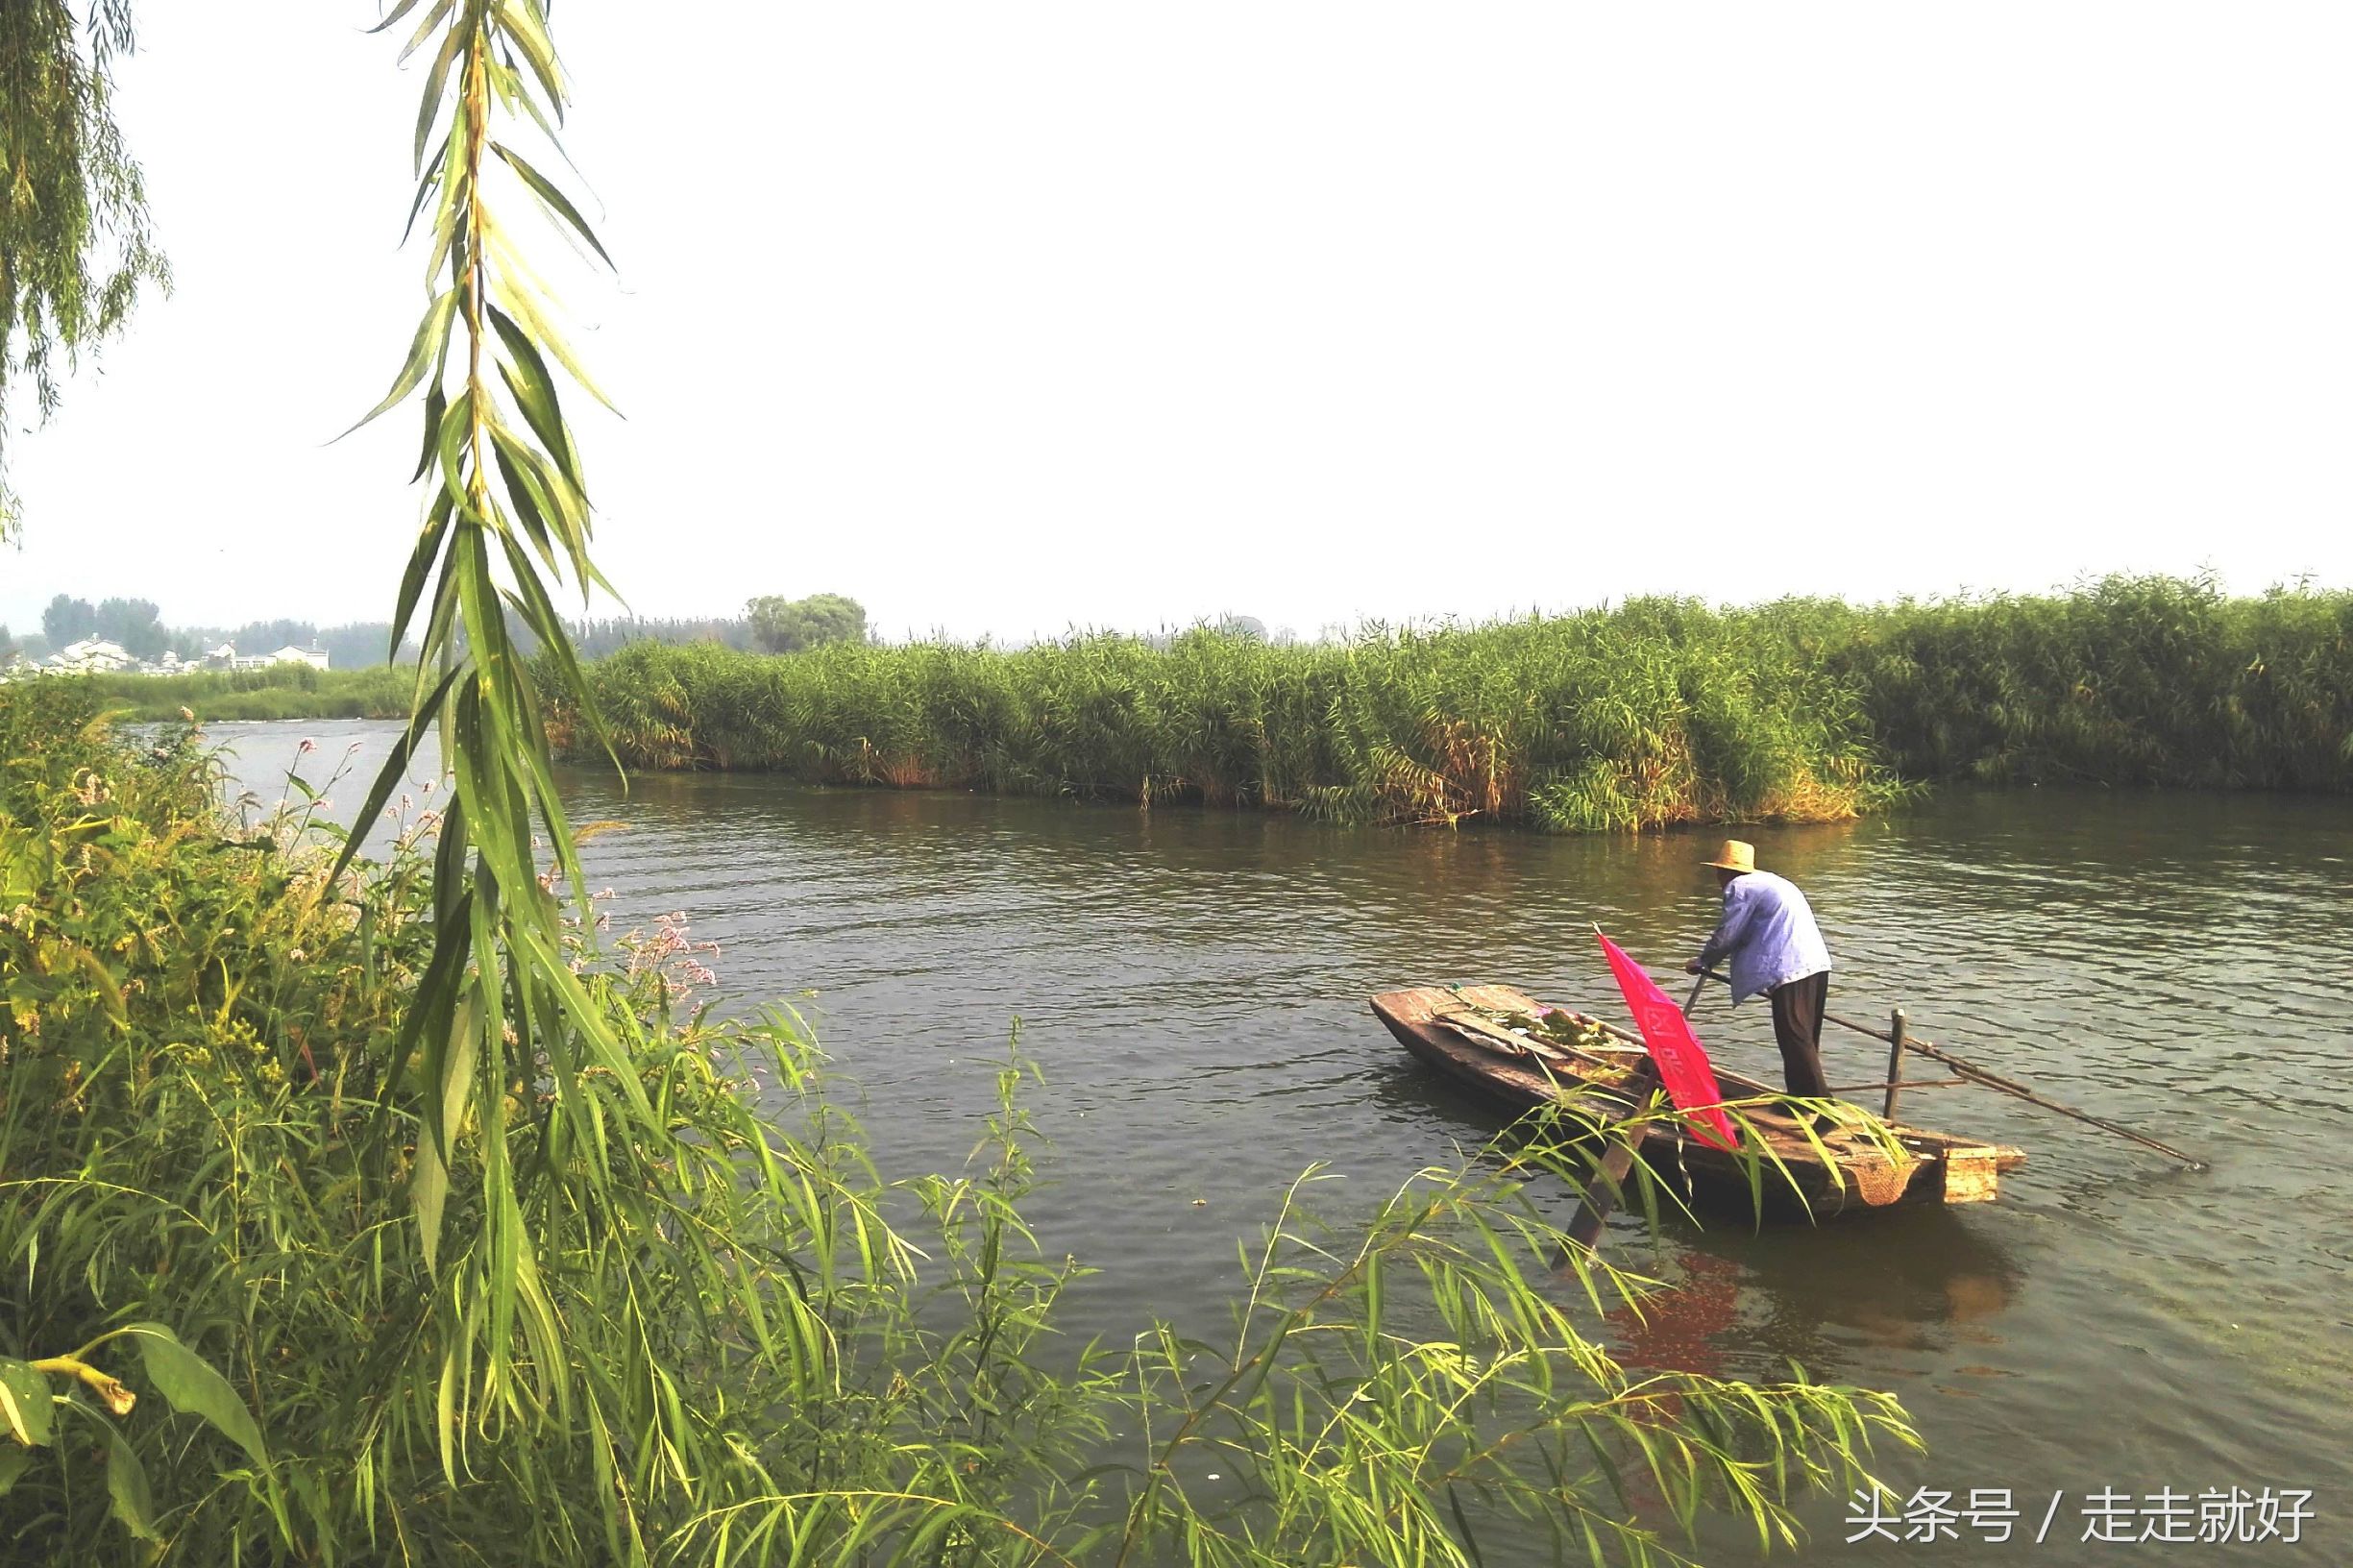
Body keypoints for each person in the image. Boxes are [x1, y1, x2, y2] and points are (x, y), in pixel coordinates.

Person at [1681, 840, 1834, 1099]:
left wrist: (1703, 961)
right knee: (1803, 1038)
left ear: (1725, 871)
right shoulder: (1770, 881)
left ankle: (1825, 1107)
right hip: (1816, 962)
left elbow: (1726, 935)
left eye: (1719, 872)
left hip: (1791, 968)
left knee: (1795, 1037)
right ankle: (1800, 1100)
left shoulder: (1739, 887)